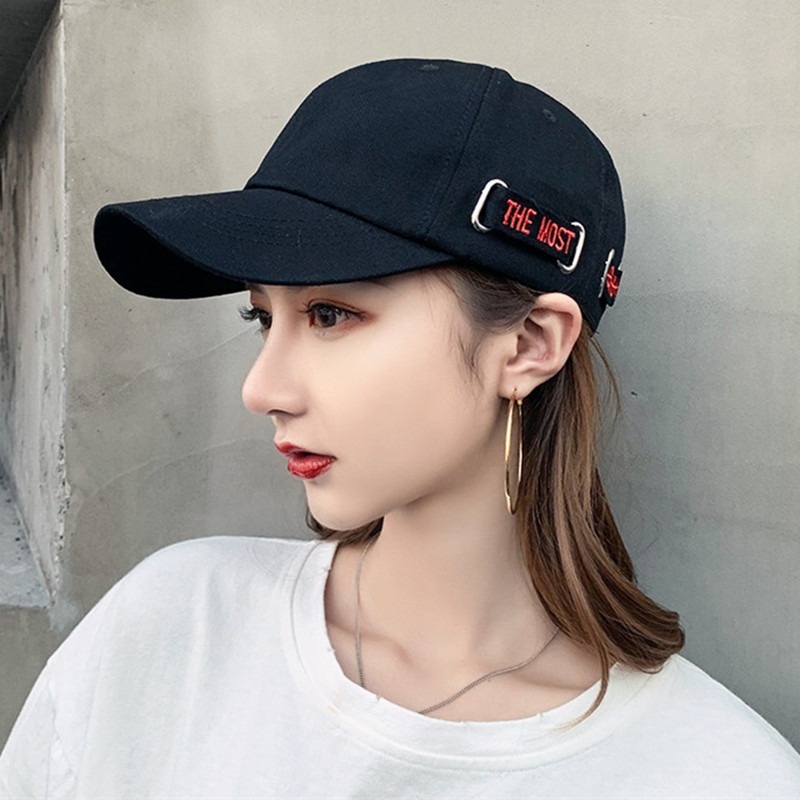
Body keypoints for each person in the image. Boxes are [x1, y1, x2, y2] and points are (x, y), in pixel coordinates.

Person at [1, 58, 799, 799]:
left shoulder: (720, 774)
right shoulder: (175, 633)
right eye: (262, 317)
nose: (261, 389)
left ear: (529, 344)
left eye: (330, 314)